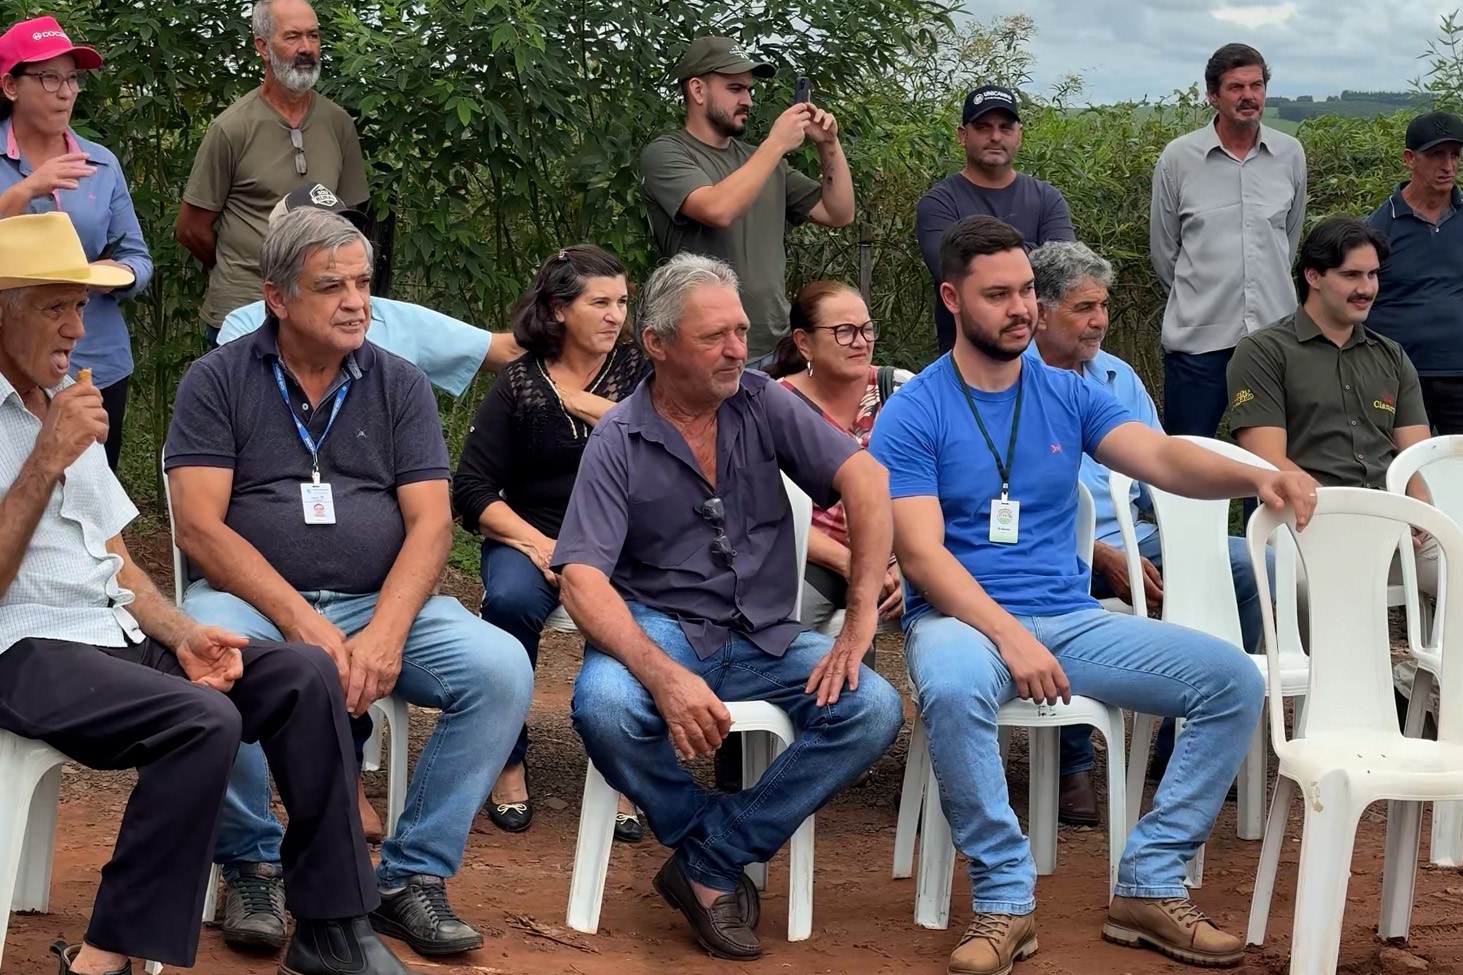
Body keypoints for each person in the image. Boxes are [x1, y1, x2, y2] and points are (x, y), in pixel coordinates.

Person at [869, 215, 1316, 975]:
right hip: (959, 619)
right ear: (952, 298)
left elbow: (1162, 460)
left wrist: (1259, 476)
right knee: (949, 685)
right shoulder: (914, 410)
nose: (1020, 308)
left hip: (1069, 619)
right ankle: (1005, 899)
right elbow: (919, 554)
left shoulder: (1067, 392)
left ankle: (1149, 882)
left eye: (1024, 292)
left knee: (1230, 681)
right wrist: (1009, 635)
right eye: (997, 295)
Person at [0, 211, 415, 975]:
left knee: (303, 672)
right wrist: (43, 461)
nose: (77, 328)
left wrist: (184, 632)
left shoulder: (59, 400)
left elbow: (116, 563)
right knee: (202, 716)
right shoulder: (49, 424)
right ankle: (102, 961)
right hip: (22, 647)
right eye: (55, 306)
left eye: (80, 306)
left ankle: (332, 925)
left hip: (113, 637)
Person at [165, 207, 532, 959]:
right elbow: (198, 528)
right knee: (212, 657)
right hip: (255, 603)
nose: (356, 302)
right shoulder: (217, 379)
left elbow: (431, 525)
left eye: (362, 284)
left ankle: (410, 876)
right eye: (331, 286)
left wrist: (386, 632)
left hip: (380, 601)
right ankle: (251, 864)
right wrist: (302, 623)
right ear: (276, 297)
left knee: (500, 668)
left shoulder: (399, 382)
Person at [554, 252, 904, 961]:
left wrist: (860, 615)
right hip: (663, 626)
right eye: (714, 336)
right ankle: (710, 850)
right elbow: (581, 580)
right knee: (606, 705)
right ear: (657, 343)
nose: (737, 349)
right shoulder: (618, 437)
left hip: (768, 635)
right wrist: (663, 675)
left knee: (871, 707)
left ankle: (707, 859)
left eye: (741, 331)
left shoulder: (762, 399)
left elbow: (865, 478)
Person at [1027, 240, 1268, 823]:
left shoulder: (1118, 376)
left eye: (1104, 305)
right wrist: (1102, 556)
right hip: (1054, 544)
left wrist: (1174, 544)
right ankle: (1069, 763)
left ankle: (1182, 742)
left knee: (1252, 563)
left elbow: (1159, 468)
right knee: (1062, 583)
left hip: (1137, 536)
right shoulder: (1012, 381)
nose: (1100, 320)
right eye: (1084, 307)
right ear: (1040, 312)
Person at [452, 244, 648, 840]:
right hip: (531, 533)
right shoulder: (519, 381)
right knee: (510, 602)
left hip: (624, 541)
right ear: (560, 309)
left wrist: (594, 408)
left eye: (622, 302)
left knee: (640, 613)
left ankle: (623, 767)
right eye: (600, 302)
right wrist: (538, 543)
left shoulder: (643, 372)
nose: (615, 315)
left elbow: (671, 450)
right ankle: (506, 758)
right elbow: (472, 488)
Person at [1227, 215, 1436, 598]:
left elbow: (1416, 463)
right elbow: (1268, 460)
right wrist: (1353, 516)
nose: (1366, 288)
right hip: (1305, 523)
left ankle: (1437, 644)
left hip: (1395, 525)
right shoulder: (1262, 352)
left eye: (1373, 275)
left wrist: (1420, 515)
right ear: (1314, 276)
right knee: (1320, 596)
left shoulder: (1391, 356)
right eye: (1351, 275)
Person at [640, 36, 854, 369]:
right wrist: (776, 144)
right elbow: (717, 209)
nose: (748, 101)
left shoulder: (763, 161)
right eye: (735, 89)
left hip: (778, 347)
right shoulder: (666, 154)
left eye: (749, 90)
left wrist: (828, 144)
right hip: (709, 352)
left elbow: (838, 213)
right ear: (697, 90)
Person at [0, 16, 152, 471]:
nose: (65, 92)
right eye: (49, 78)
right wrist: (26, 191)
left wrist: (115, 275)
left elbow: (138, 257)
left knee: (91, 489)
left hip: (95, 360)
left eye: (72, 79)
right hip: (8, 367)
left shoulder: (100, 164)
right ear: (10, 86)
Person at [176, 0, 367, 347]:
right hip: (243, 312)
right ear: (262, 47)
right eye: (292, 37)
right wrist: (247, 265)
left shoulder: (338, 123)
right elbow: (191, 229)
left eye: (313, 36)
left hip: (319, 312)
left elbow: (351, 221)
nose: (306, 48)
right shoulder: (232, 128)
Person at [216, 183, 524, 389]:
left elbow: (506, 350)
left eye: (341, 228)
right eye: (313, 234)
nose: (354, 302)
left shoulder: (400, 321)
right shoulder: (246, 326)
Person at [1150, 43, 1306, 439]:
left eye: (1256, 85)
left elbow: (1288, 239)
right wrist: (1200, 299)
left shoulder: (1290, 154)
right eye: (1236, 87)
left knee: (1272, 461)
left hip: (1273, 337)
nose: (1248, 96)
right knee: (1190, 457)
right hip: (1198, 342)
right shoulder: (1178, 159)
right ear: (1212, 95)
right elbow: (1164, 251)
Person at [763, 280, 906, 630]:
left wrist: (912, 567)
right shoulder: (774, 404)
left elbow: (941, 487)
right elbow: (764, 510)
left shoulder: (901, 391)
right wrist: (850, 561)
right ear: (804, 342)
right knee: (784, 638)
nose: (860, 342)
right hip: (812, 557)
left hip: (898, 560)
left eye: (866, 329)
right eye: (844, 331)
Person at [916, 85, 1074, 354]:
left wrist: (981, 255)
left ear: (1019, 135)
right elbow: (955, 273)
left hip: (1044, 360)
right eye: (983, 127)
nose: (995, 137)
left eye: (1005, 128)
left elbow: (1063, 273)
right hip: (968, 361)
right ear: (962, 135)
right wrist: (1037, 252)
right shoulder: (939, 203)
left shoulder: (1047, 198)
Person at [1364, 111, 1463, 433]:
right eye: (1436, 155)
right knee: (1400, 462)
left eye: (1454, 155)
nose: (1447, 166)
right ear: (1410, 159)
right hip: (1396, 376)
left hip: (1459, 374)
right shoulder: (1377, 228)